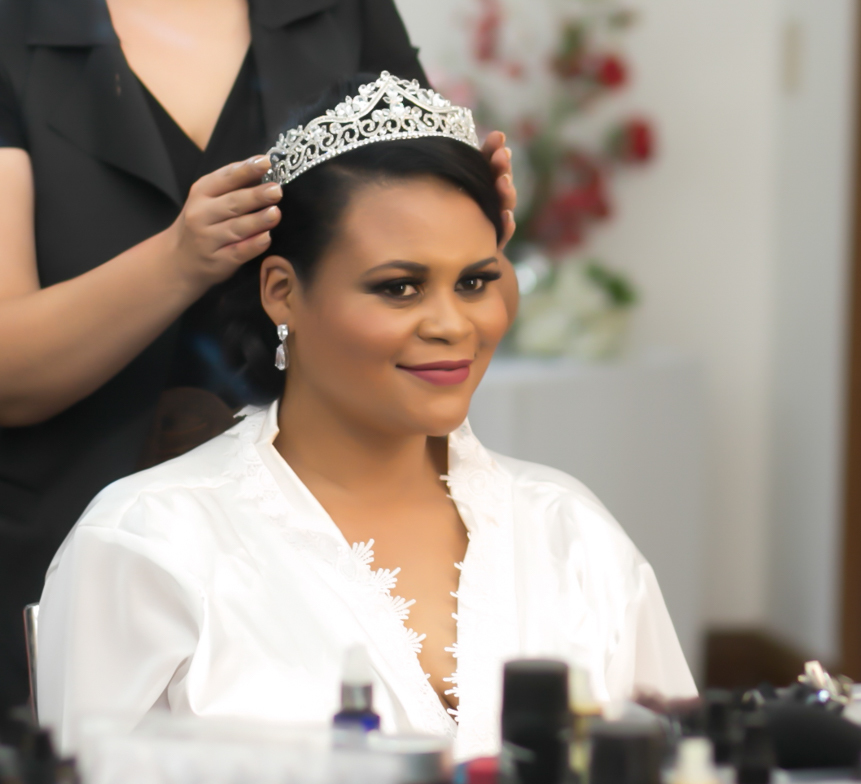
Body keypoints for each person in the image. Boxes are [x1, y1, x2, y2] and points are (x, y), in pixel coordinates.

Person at [36, 74, 696, 761]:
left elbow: (682, 771)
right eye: (400, 287)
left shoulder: (571, 534)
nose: (452, 325)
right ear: (282, 292)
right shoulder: (149, 545)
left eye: (474, 281)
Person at [0, 0, 518, 713]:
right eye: (402, 288)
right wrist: (180, 260)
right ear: (279, 292)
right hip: (70, 510)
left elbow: (435, 237)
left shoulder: (341, 12)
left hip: (331, 515)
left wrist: (462, 230)